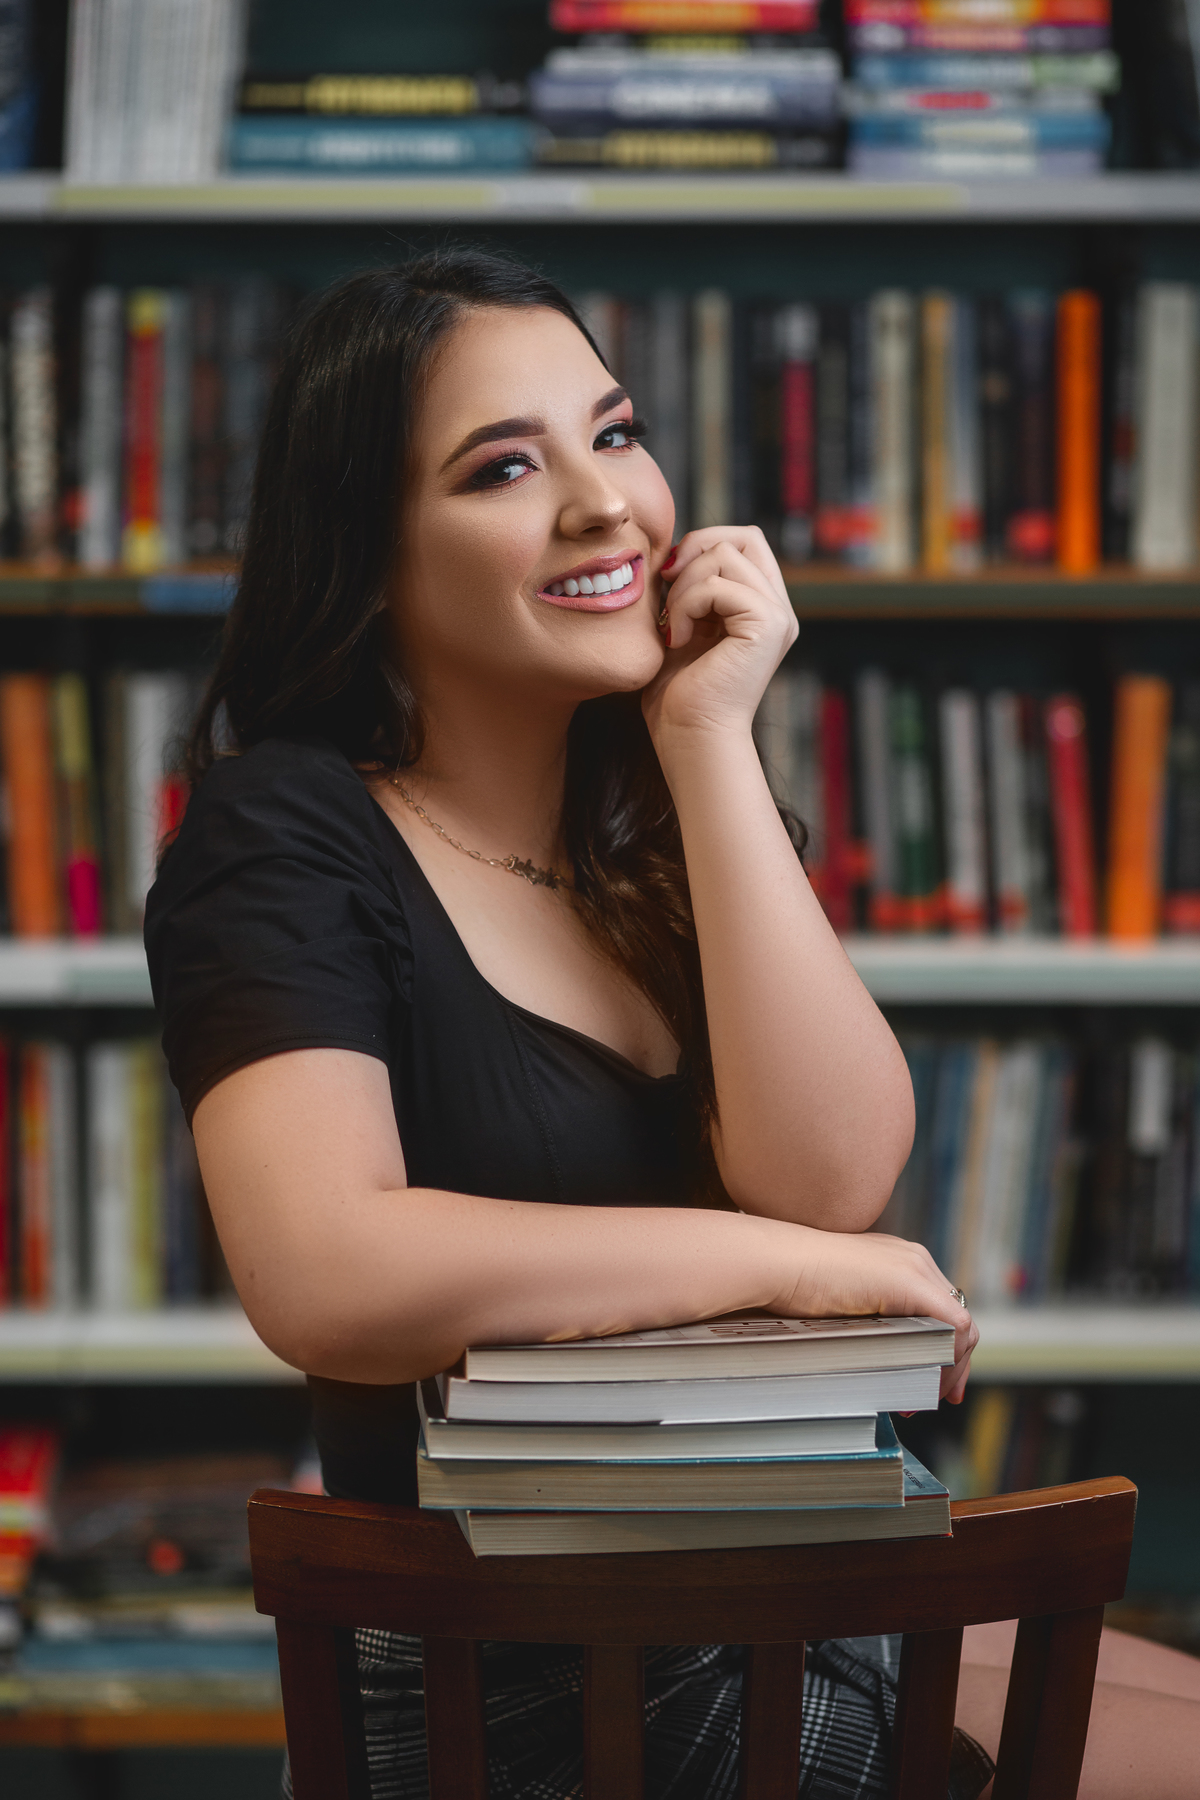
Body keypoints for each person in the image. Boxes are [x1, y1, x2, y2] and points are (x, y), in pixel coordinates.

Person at [144, 248, 1200, 1800]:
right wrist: (777, 1269)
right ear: (367, 557)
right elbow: (323, 1266)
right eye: (505, 467)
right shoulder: (284, 829)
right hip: (527, 1673)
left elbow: (830, 1180)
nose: (605, 506)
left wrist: (707, 736)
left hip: (766, 1582)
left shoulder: (645, 830)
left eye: (617, 433)